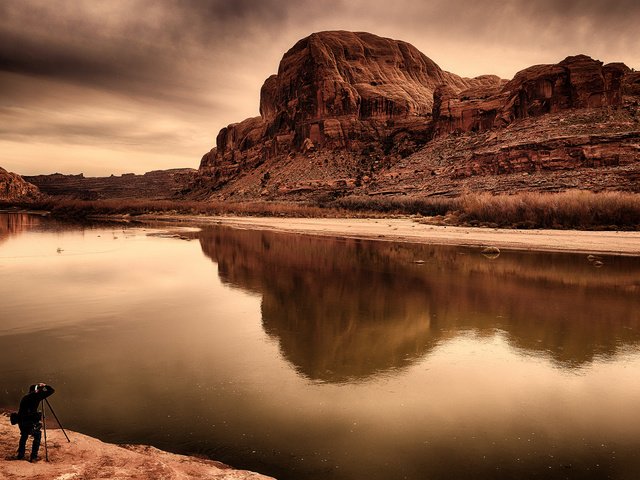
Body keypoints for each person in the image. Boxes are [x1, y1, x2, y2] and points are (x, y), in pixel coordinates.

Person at [16, 383, 55, 462]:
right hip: (30, 423)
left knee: (24, 436)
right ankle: (33, 457)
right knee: (37, 435)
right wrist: (45, 385)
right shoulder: (37, 397)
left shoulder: (25, 397)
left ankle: (20, 455)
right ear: (36, 390)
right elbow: (51, 390)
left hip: (22, 423)